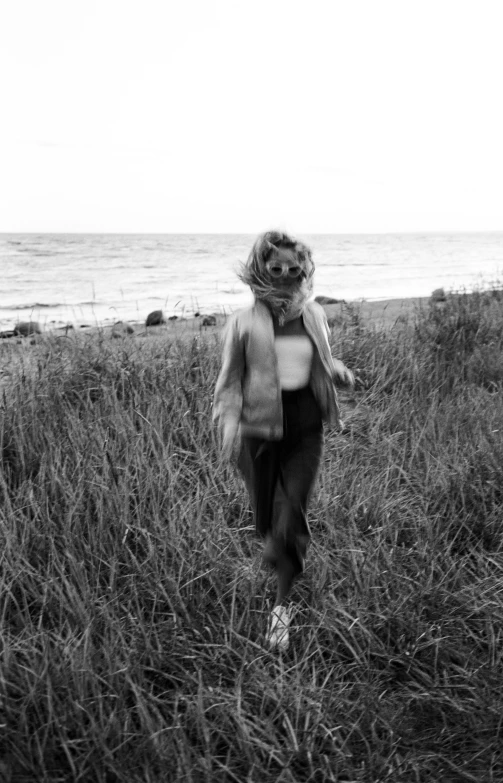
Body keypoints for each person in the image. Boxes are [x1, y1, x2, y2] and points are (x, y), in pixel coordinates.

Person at [213, 230, 354, 651]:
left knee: (292, 512)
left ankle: (281, 608)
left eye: (294, 270)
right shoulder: (242, 323)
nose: (286, 277)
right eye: (276, 269)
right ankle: (277, 548)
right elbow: (230, 384)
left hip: (305, 425)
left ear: (304, 271)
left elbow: (320, 361)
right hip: (257, 431)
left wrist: (337, 372)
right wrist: (229, 425)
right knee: (267, 522)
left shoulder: (313, 315)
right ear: (261, 269)